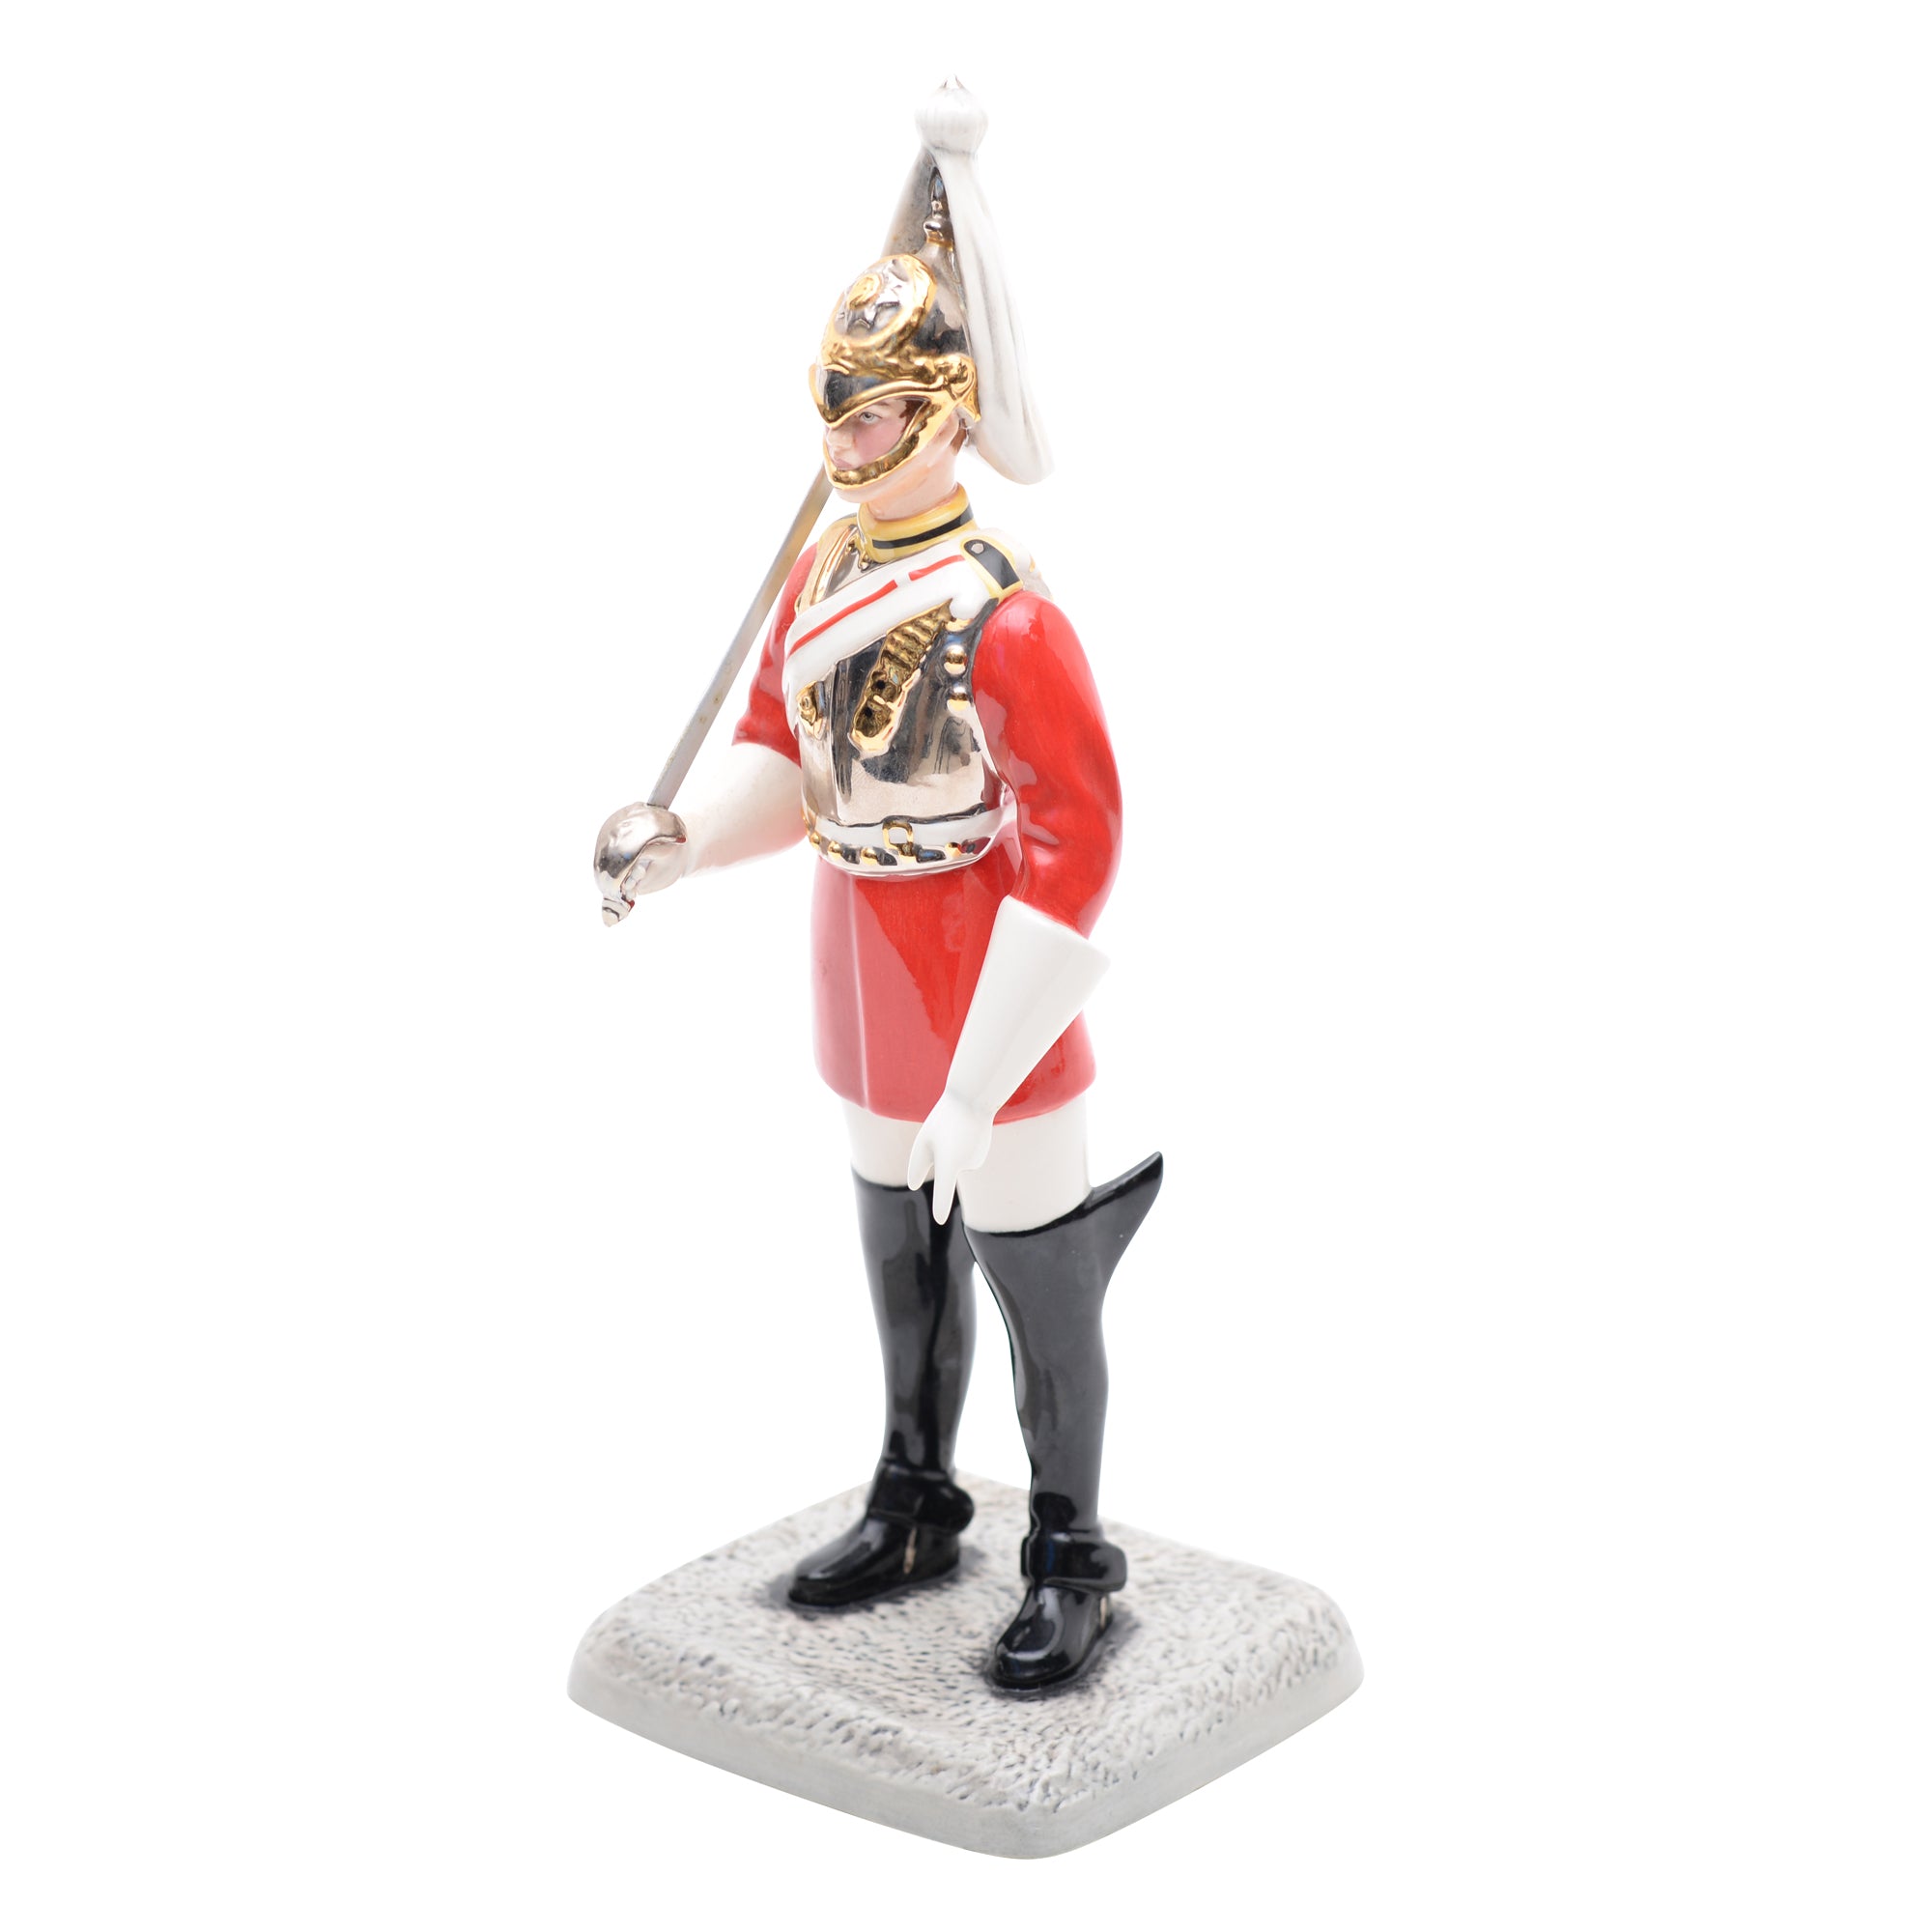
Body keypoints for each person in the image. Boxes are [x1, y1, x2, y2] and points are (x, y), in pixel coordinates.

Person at [594, 98, 1158, 1690]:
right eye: (835, 413)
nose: (846, 445)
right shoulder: (824, 576)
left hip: (988, 974)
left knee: (1036, 1266)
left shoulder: (1006, 617)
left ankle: (1070, 1549)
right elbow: (784, 757)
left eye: (878, 415)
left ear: (946, 416)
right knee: (899, 1252)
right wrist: (685, 841)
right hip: (858, 957)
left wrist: (982, 1075)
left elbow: (1080, 846)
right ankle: (917, 1492)